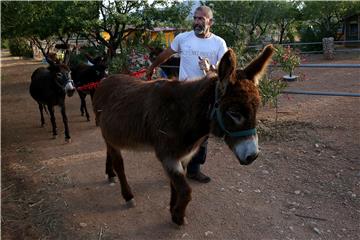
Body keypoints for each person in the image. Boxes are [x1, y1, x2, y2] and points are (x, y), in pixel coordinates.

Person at [146, 6, 228, 183]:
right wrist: (152, 66)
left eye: (201, 19)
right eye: (196, 18)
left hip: (205, 95)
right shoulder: (183, 38)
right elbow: (167, 54)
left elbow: (224, 66)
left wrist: (211, 68)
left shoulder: (219, 43)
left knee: (202, 134)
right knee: (179, 129)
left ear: (210, 22)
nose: (197, 22)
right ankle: (178, 165)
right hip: (182, 94)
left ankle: (194, 169)